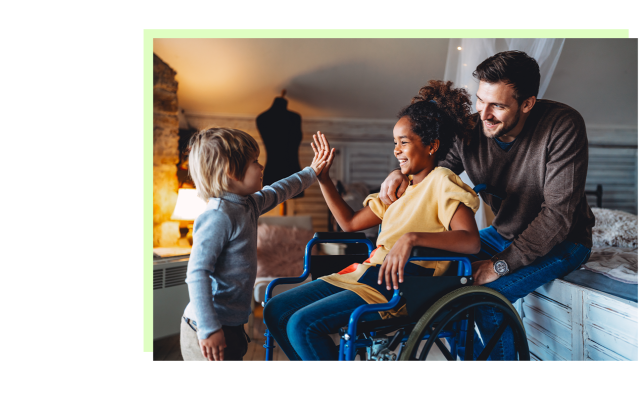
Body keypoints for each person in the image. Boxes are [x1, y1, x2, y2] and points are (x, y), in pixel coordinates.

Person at [378, 51, 596, 360]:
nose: (484, 114)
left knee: (484, 295)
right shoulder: (471, 129)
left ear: (527, 103)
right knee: (443, 277)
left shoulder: (562, 126)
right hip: (502, 231)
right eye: (481, 100)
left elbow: (557, 217)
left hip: (564, 241)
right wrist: (400, 172)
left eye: (498, 105)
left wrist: (498, 266)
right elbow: (434, 172)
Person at [263, 81, 481, 360]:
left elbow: (471, 241)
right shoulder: (399, 187)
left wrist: (412, 239)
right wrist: (324, 179)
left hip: (400, 286)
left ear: (432, 145)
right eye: (395, 143)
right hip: (365, 274)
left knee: (302, 325)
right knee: (275, 309)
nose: (397, 150)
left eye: (404, 142)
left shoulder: (442, 181)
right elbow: (350, 223)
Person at [180, 127, 331, 361]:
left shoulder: (248, 204)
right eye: (254, 161)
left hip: (232, 325)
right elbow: (197, 272)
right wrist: (209, 329)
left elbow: (281, 189)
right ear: (231, 171)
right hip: (206, 327)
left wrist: (312, 171)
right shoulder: (217, 215)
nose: (261, 167)